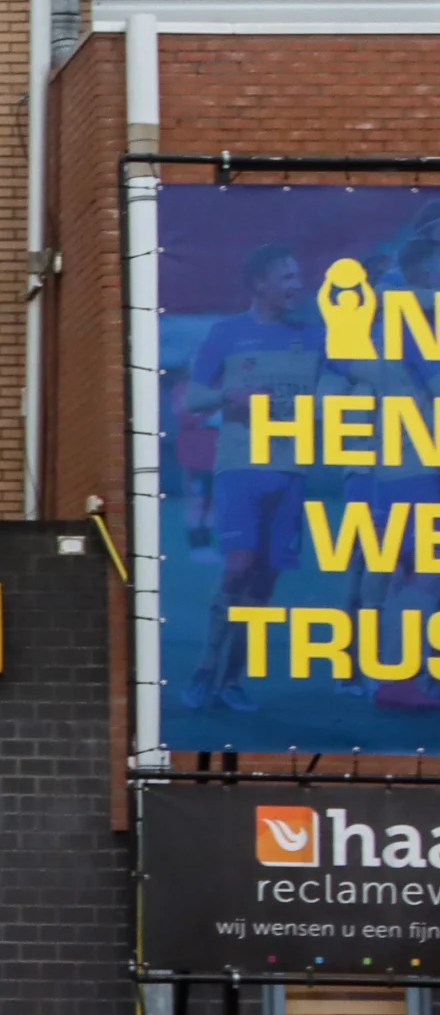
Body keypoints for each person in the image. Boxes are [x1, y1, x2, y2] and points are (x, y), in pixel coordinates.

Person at [180, 242, 321, 712]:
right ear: (260, 282)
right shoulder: (227, 332)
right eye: (288, 277)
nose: (297, 285)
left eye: (298, 277)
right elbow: (193, 398)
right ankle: (204, 670)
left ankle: (231, 681)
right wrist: (230, 396)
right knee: (239, 565)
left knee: (265, 580)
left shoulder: (311, 336)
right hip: (240, 465)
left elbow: (338, 386)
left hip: (291, 470)